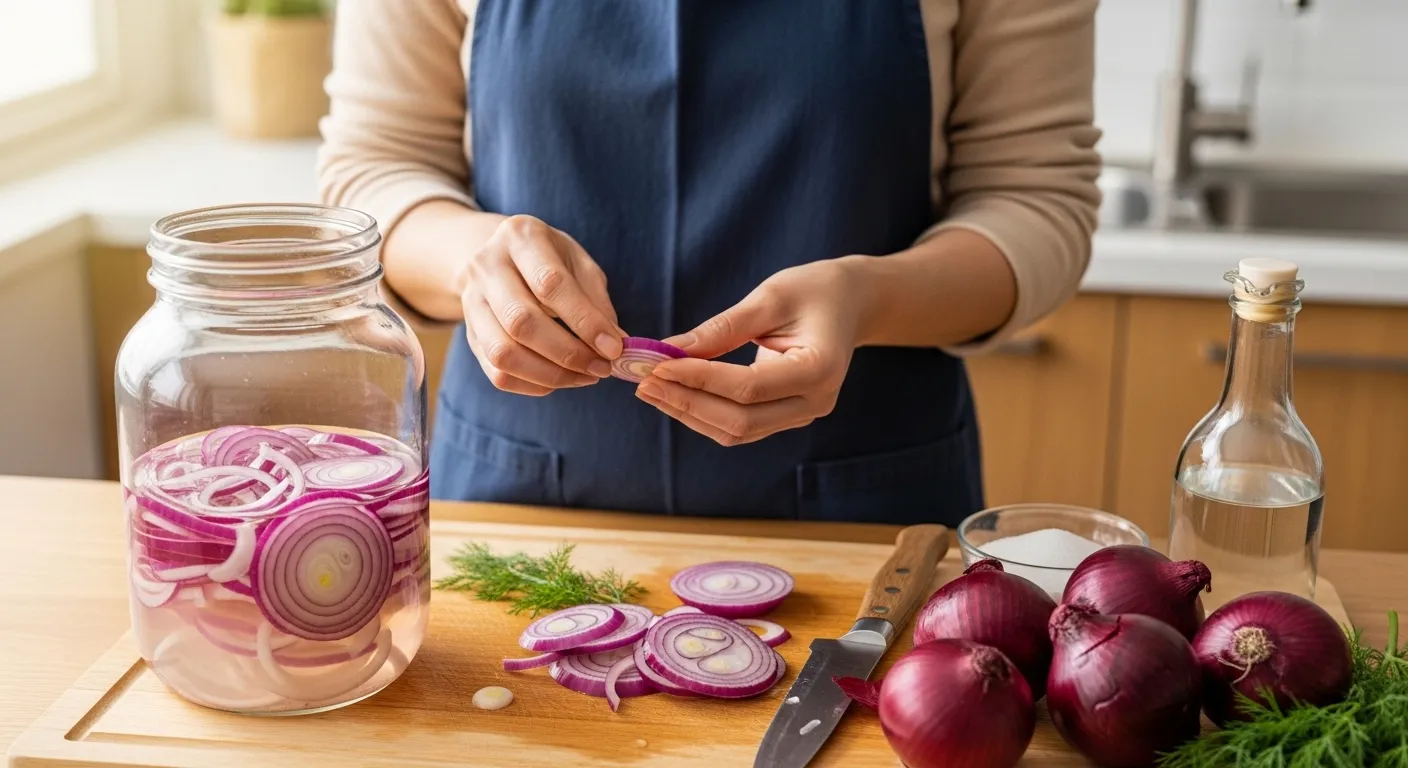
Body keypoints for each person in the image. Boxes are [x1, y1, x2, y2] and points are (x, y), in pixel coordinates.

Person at [317, 0, 1101, 526]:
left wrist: (867, 297)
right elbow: (374, 167)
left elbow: (1035, 198)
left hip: (866, 508)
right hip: (514, 503)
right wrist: (471, 260)